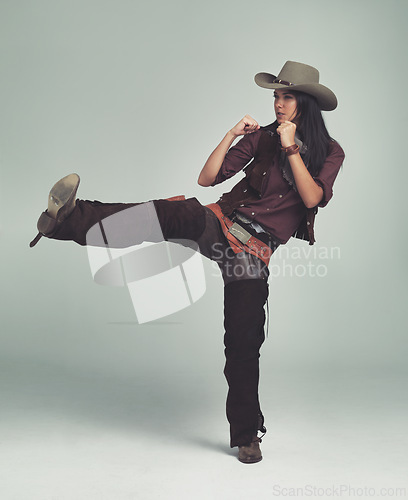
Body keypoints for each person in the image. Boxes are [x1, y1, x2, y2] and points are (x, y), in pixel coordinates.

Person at [29, 61, 345, 464]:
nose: (278, 104)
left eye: (286, 97)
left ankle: (247, 435)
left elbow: (312, 198)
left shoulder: (330, 152)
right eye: (275, 97)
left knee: (243, 344)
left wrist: (291, 148)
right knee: (165, 213)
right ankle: (66, 220)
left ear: (306, 103)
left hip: (253, 252)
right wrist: (231, 134)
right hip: (221, 222)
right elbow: (206, 179)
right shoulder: (262, 138)